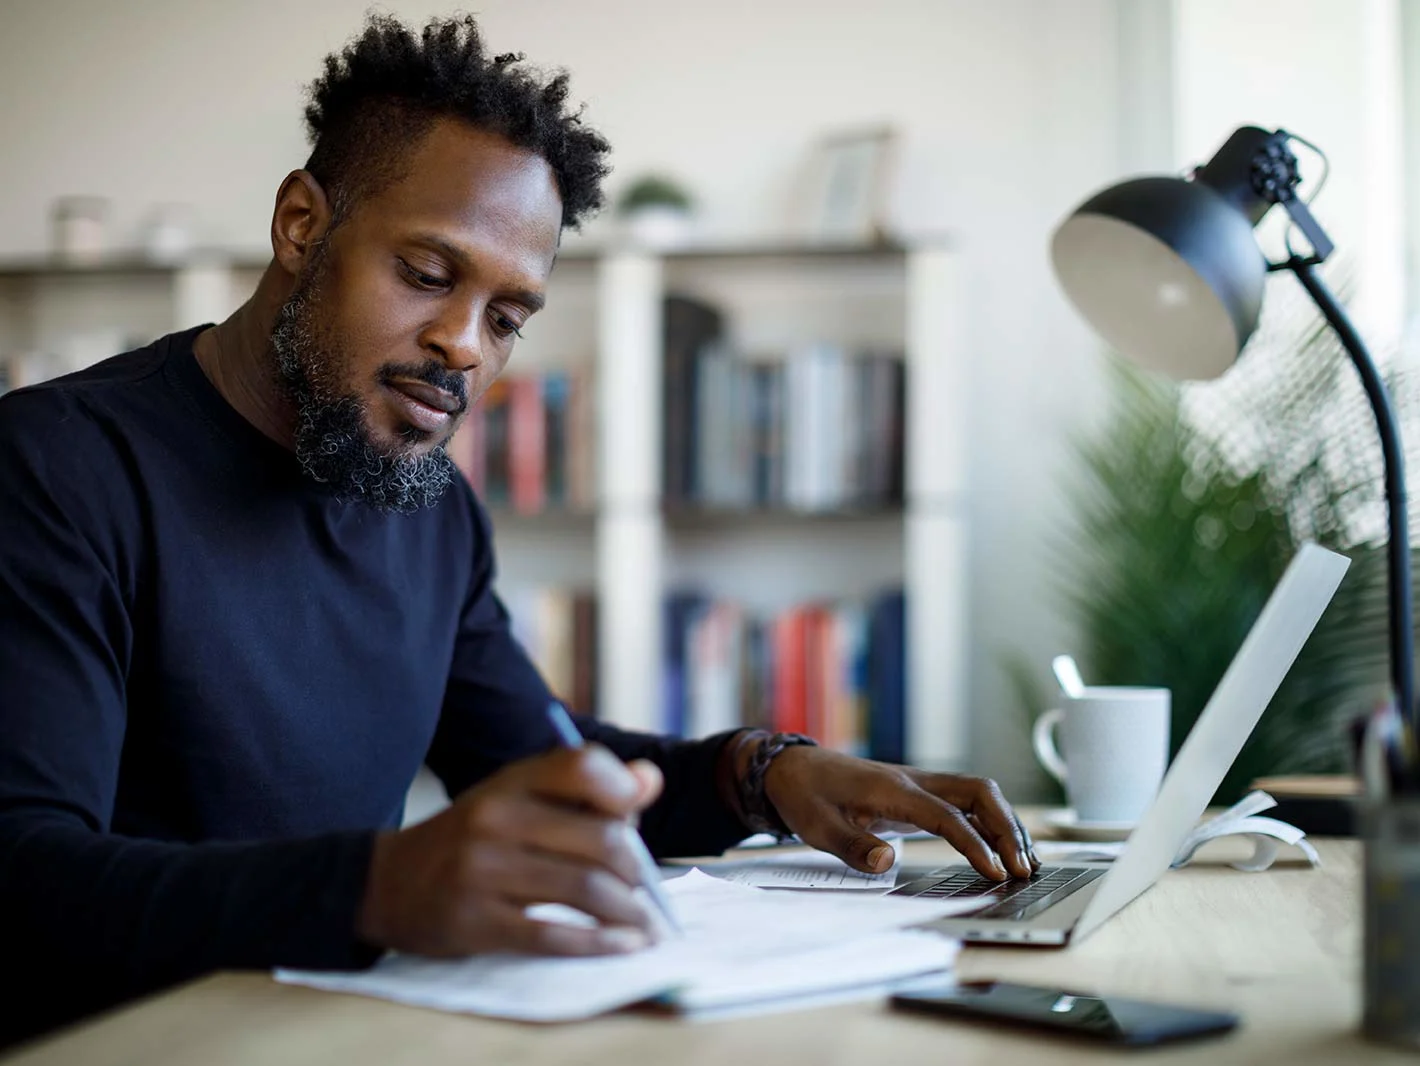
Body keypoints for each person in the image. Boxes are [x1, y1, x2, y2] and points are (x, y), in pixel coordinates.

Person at [0, 13, 1038, 1047]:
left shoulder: (433, 509)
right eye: (426, 273)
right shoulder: (53, 469)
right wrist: (378, 884)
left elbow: (535, 765)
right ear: (302, 223)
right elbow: (25, 873)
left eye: (506, 318)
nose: (460, 347)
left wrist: (764, 773)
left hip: (332, 1031)